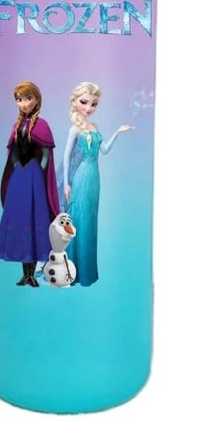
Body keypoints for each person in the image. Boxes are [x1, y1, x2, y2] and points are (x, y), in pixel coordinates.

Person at [60, 82, 134, 286]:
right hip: (82, 177)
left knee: (90, 221)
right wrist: (66, 183)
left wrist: (118, 132)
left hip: (95, 178)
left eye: (94, 104)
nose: (89, 108)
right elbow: (66, 157)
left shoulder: (94, 127)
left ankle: (87, 272)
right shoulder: (75, 129)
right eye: (84, 102)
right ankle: (74, 272)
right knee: (80, 219)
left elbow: (105, 150)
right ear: (74, 102)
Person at [0, 81, 60, 287]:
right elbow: (13, 152)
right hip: (19, 179)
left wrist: (37, 172)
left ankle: (32, 274)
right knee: (21, 221)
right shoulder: (17, 126)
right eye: (19, 99)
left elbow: (46, 155)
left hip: (34, 178)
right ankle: (25, 275)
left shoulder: (42, 125)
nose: (23, 103)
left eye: (28, 98)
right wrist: (17, 168)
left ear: (37, 100)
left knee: (34, 219)